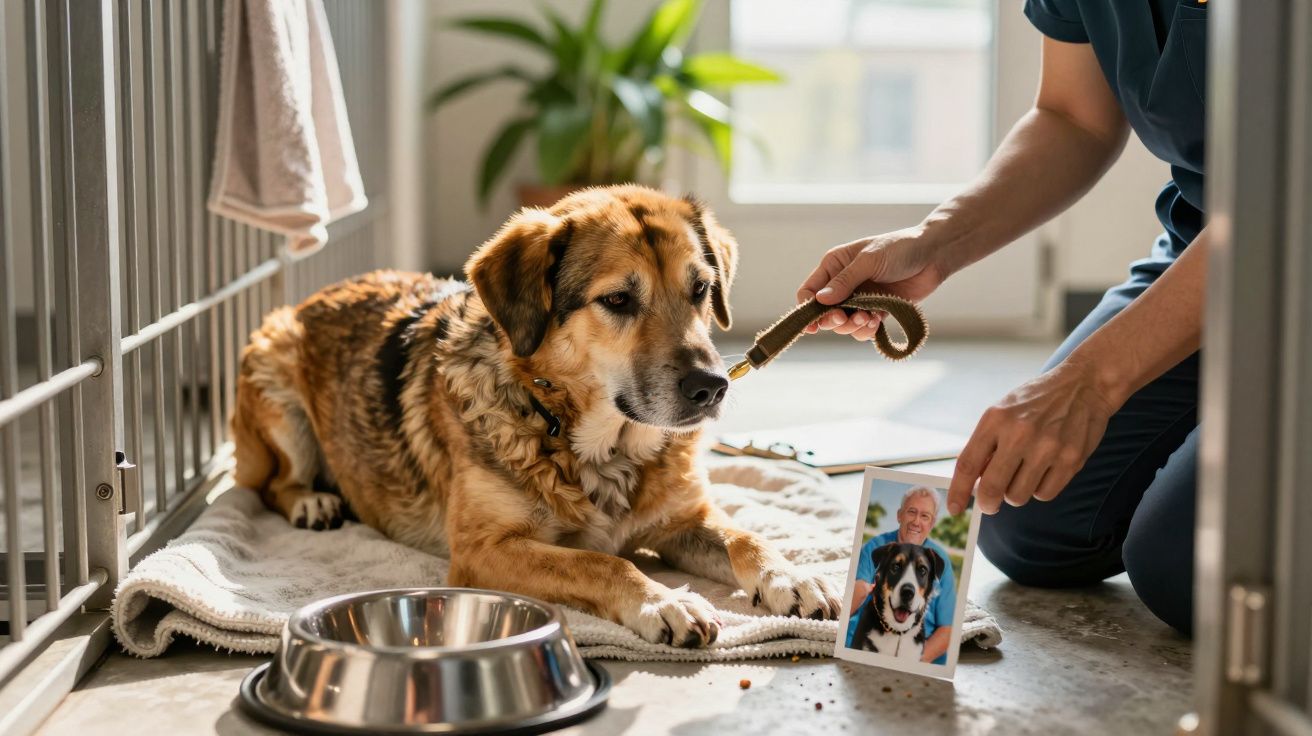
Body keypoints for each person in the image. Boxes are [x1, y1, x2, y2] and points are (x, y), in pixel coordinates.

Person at [800, 1, 1207, 636]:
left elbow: (1290, 198)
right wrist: (935, 242)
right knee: (1031, 520)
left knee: (1185, 565)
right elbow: (1073, 117)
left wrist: (1092, 381)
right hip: (1207, 249)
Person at [847, 486, 956, 664]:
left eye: (924, 516)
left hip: (917, 653)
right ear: (899, 515)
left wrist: (911, 663)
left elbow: (948, 628)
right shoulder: (876, 547)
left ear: (932, 523)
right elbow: (857, 592)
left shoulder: (939, 559)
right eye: (911, 512)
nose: (916, 521)